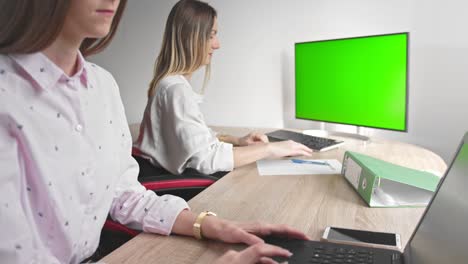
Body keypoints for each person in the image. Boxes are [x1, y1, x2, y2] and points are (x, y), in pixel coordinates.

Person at [0, 0, 309, 263]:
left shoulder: (102, 86)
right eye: (212, 34)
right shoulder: (7, 97)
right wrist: (272, 149)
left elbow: (123, 194)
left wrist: (210, 224)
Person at [133, 0, 313, 176]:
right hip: (160, 179)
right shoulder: (175, 89)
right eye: (211, 35)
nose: (217, 44)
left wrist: (239, 141)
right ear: (191, 37)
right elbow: (205, 159)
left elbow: (198, 138)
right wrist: (270, 149)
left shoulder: (170, 84)